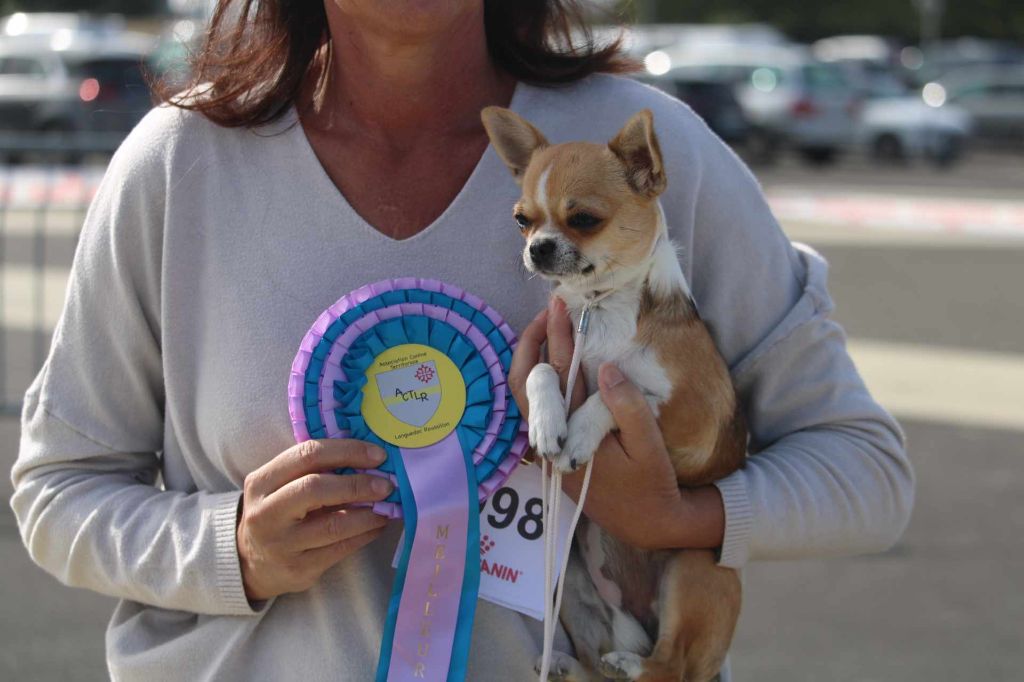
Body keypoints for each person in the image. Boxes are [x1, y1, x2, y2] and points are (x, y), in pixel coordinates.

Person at [10, 1, 914, 680]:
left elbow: (865, 473)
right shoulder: (180, 165)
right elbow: (59, 493)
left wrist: (678, 519)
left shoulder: (647, 148)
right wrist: (230, 550)